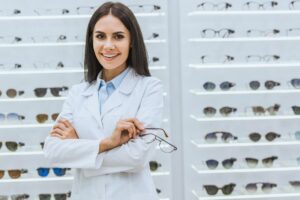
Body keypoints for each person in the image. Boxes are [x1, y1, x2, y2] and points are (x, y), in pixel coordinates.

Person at [43, 2, 164, 200]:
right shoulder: (78, 93)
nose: (108, 45)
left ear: (131, 40)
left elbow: (137, 157)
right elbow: (52, 150)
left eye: (118, 36)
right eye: (100, 36)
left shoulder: (149, 88)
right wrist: (107, 143)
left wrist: (81, 151)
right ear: (91, 40)